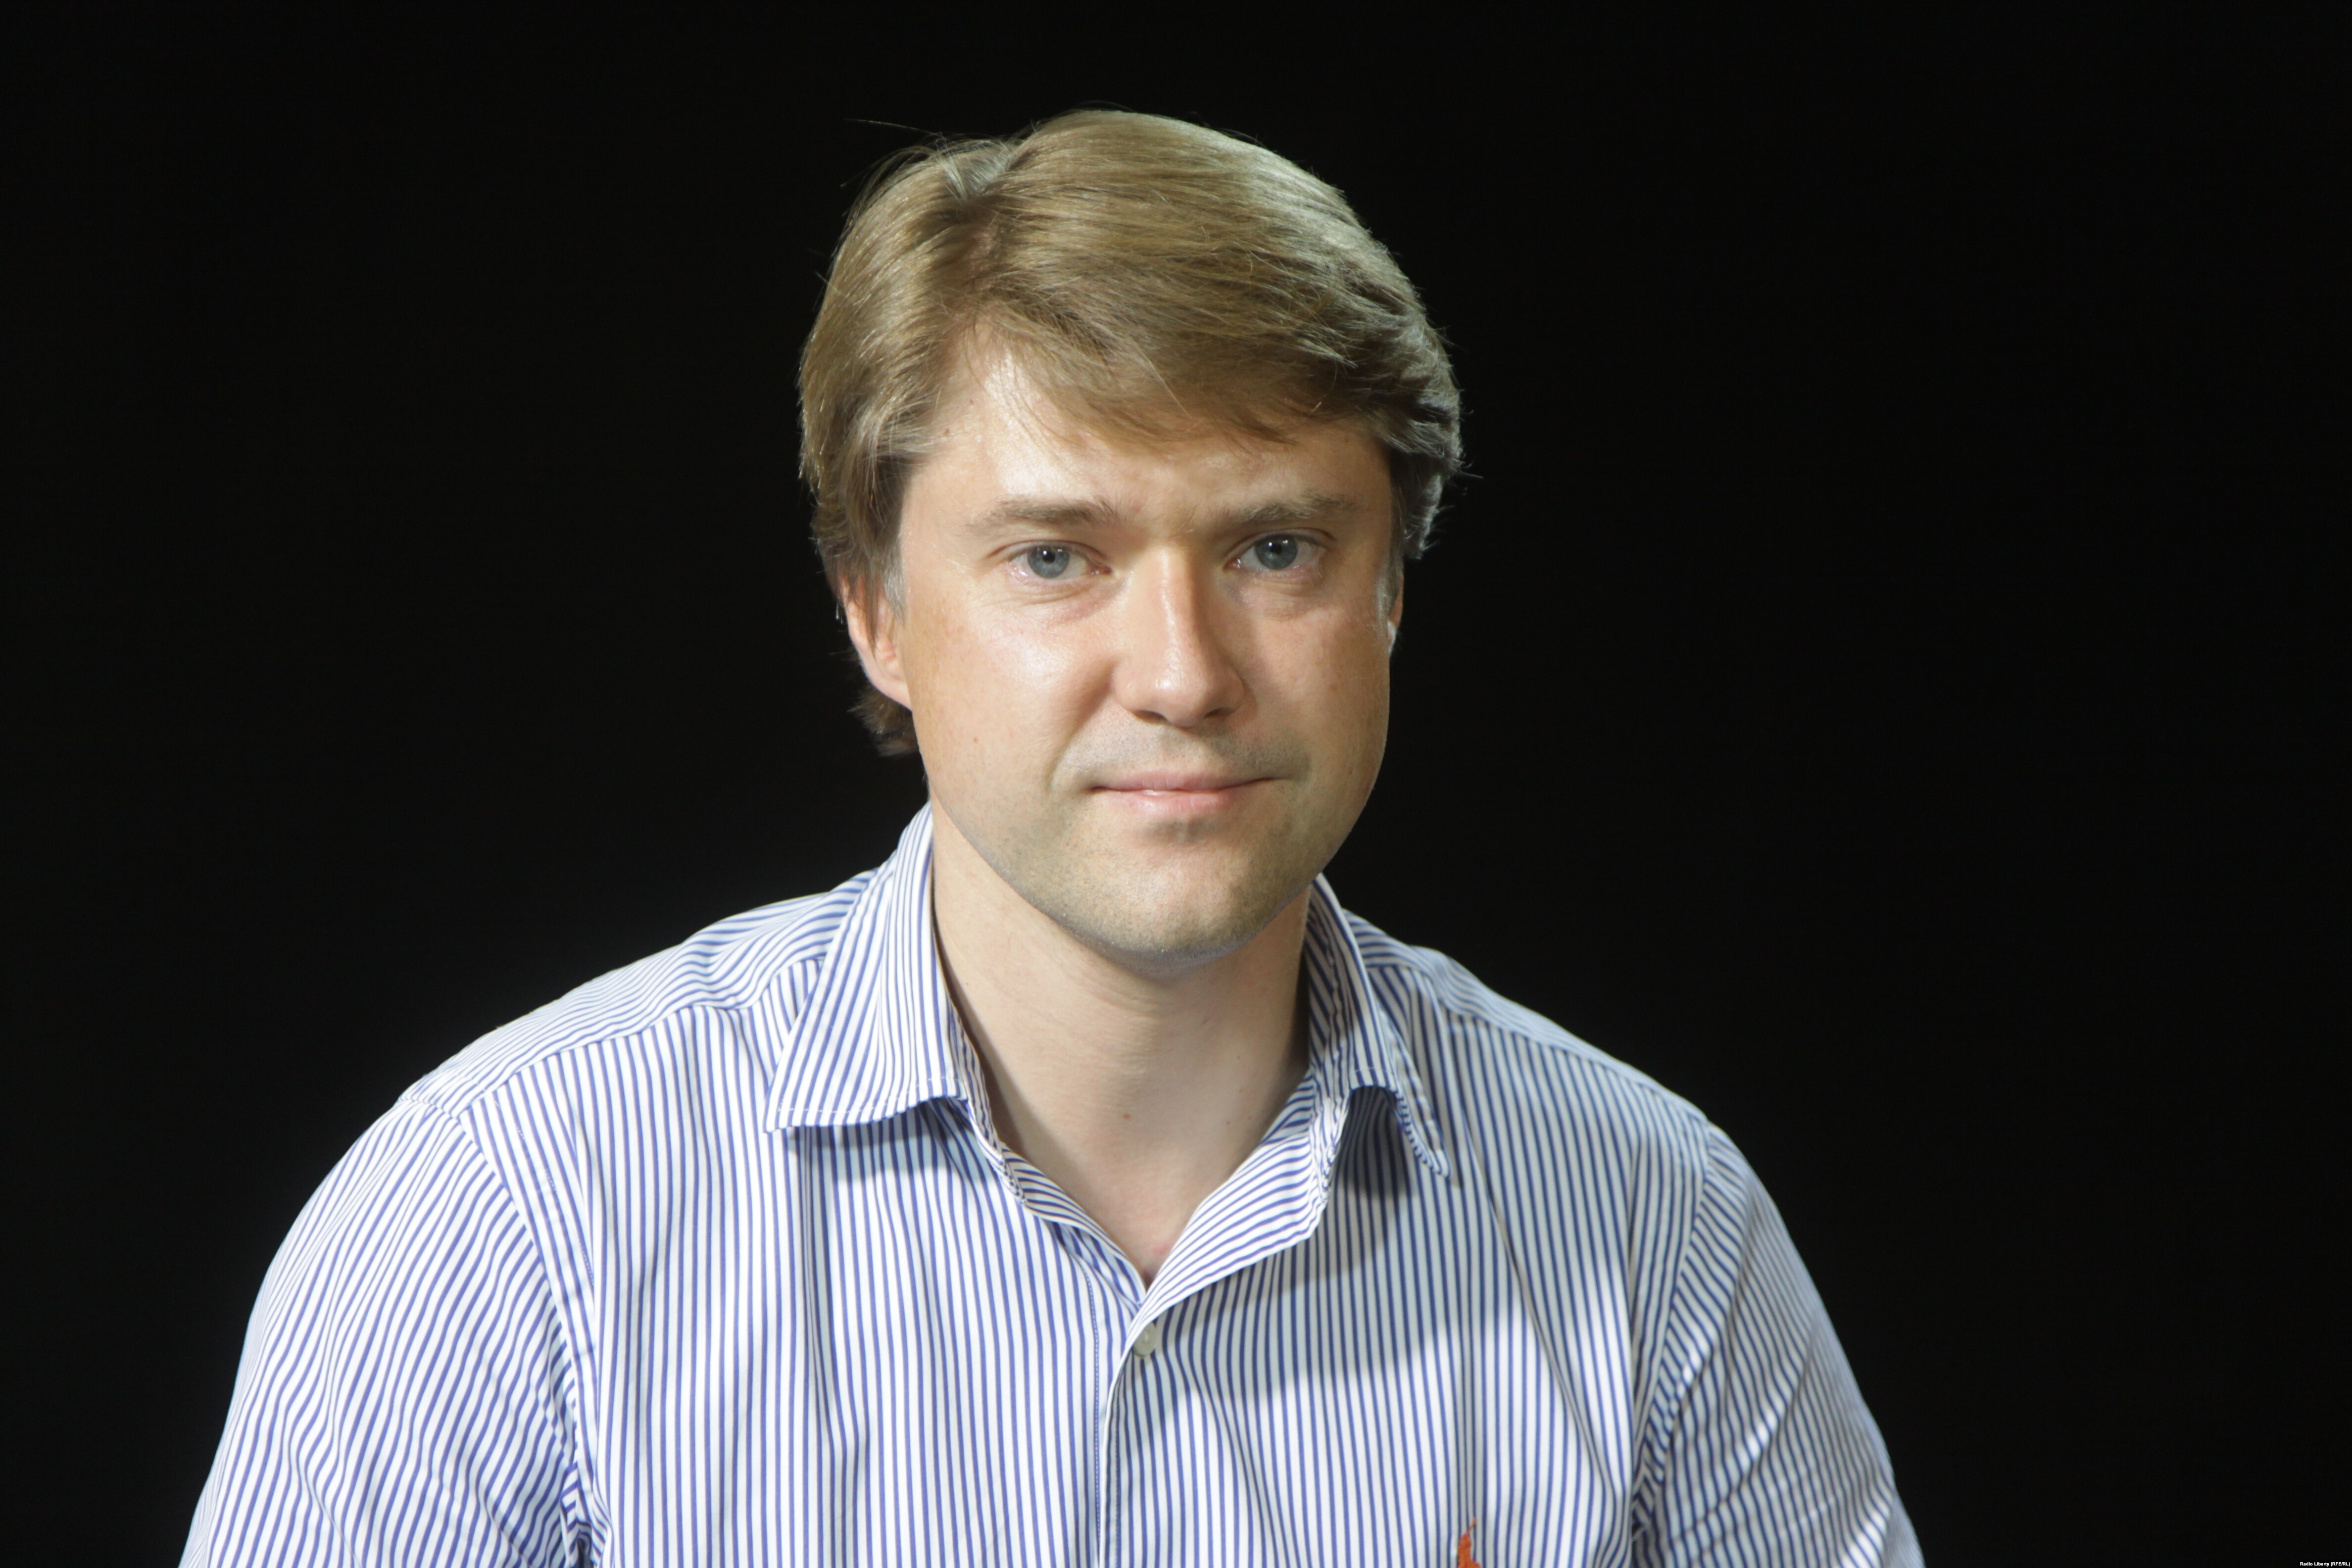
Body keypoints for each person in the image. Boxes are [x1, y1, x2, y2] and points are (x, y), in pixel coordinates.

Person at [183, 110, 1919, 1566]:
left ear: (1393, 586)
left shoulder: (1652, 1225)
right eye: (1054, 558)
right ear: (875, 610)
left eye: (1274, 550)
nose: (1182, 675)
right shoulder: (509, 1216)